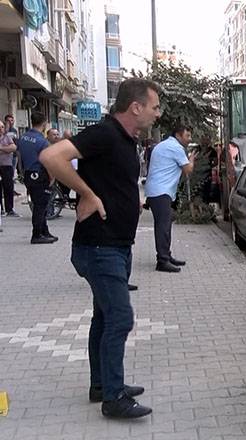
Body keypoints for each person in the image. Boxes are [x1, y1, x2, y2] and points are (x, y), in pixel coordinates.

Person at [39, 77, 162, 419]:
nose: (157, 113)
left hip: (116, 246)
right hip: (99, 247)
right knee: (120, 318)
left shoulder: (124, 139)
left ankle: (102, 385)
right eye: (154, 107)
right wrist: (88, 194)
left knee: (104, 317)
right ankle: (114, 398)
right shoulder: (105, 133)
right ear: (135, 107)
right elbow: (51, 156)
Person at [144, 125, 197, 273]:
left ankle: (166, 255)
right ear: (178, 135)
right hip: (161, 192)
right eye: (187, 136)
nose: (189, 139)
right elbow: (188, 170)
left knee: (165, 225)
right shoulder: (176, 148)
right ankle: (162, 261)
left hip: (156, 191)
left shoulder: (163, 145)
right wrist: (192, 159)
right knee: (163, 226)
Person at [17, 112, 56, 244]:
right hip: (39, 174)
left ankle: (44, 231)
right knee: (41, 206)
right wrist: (52, 177)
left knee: (38, 203)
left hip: (28, 174)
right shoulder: (42, 141)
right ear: (44, 124)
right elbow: (48, 161)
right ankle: (37, 234)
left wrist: (21, 172)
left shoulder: (23, 137)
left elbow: (19, 156)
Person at [0, 124, 19, 217]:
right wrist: (6, 149)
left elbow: (13, 148)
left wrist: (1, 148)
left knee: (8, 187)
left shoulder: (7, 138)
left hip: (6, 166)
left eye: (2, 127)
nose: (1, 129)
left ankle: (9, 209)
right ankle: (1, 209)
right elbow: (8, 149)